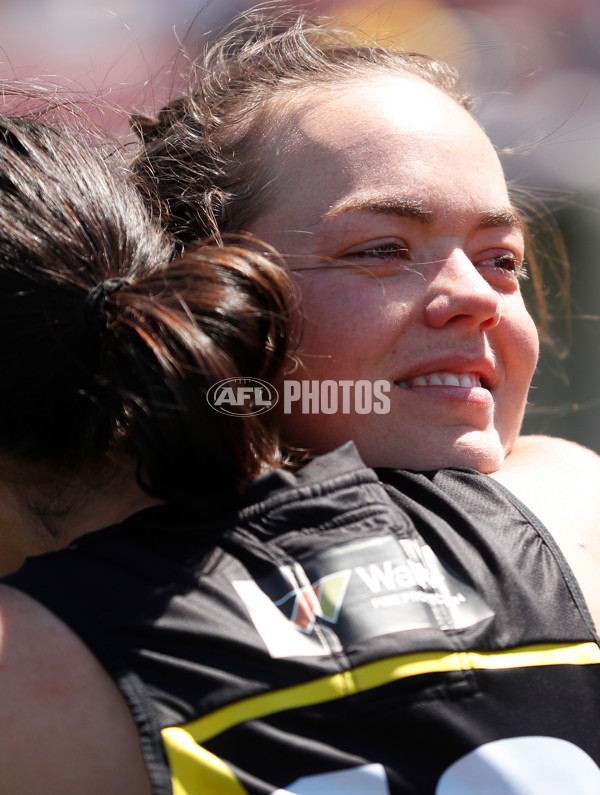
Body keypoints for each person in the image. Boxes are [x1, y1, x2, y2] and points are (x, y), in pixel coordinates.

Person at [2, 6, 600, 795]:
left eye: (502, 258)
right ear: (207, 292)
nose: (476, 298)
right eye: (380, 250)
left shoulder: (39, 661)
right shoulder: (566, 507)